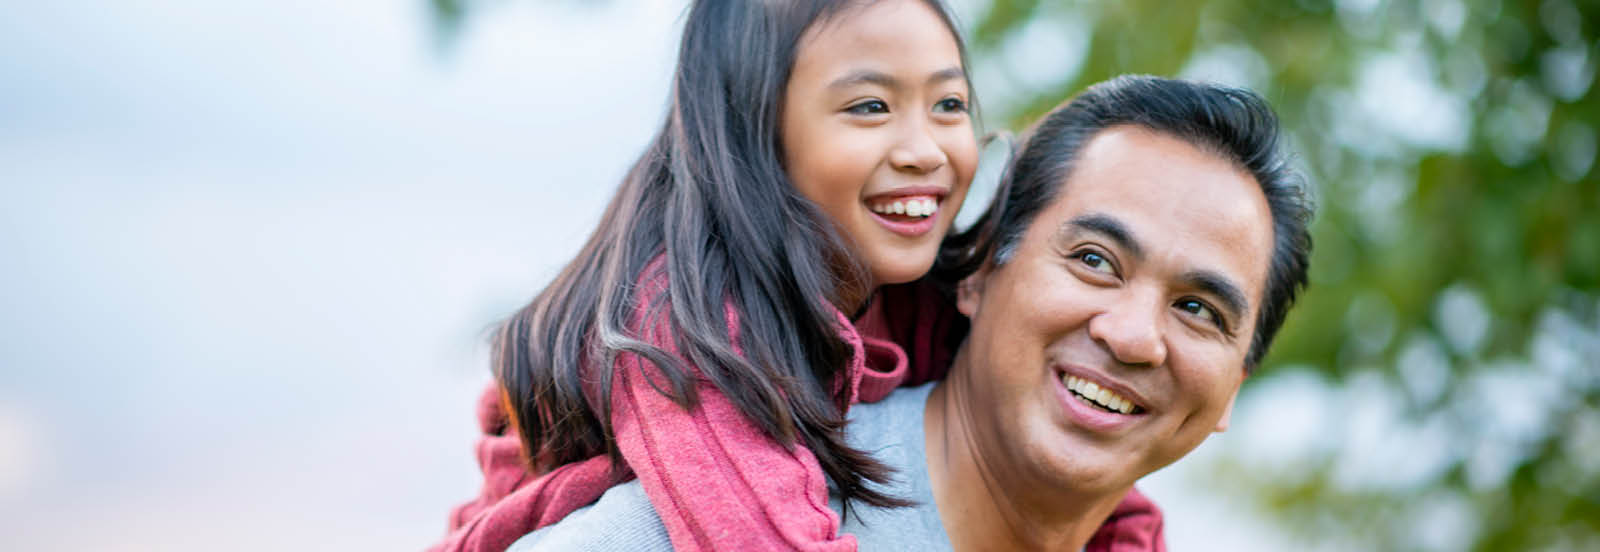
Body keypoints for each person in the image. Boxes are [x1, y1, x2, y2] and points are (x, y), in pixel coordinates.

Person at [507, 75, 1315, 551]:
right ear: (979, 272)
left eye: (1199, 309)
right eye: (1094, 261)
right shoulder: (725, 515)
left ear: (1234, 389)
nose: (1133, 335)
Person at [430, 1, 988, 550]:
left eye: (949, 103)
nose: (924, 150)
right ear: (751, 129)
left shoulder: (928, 293)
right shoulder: (676, 321)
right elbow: (760, 540)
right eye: (870, 106)